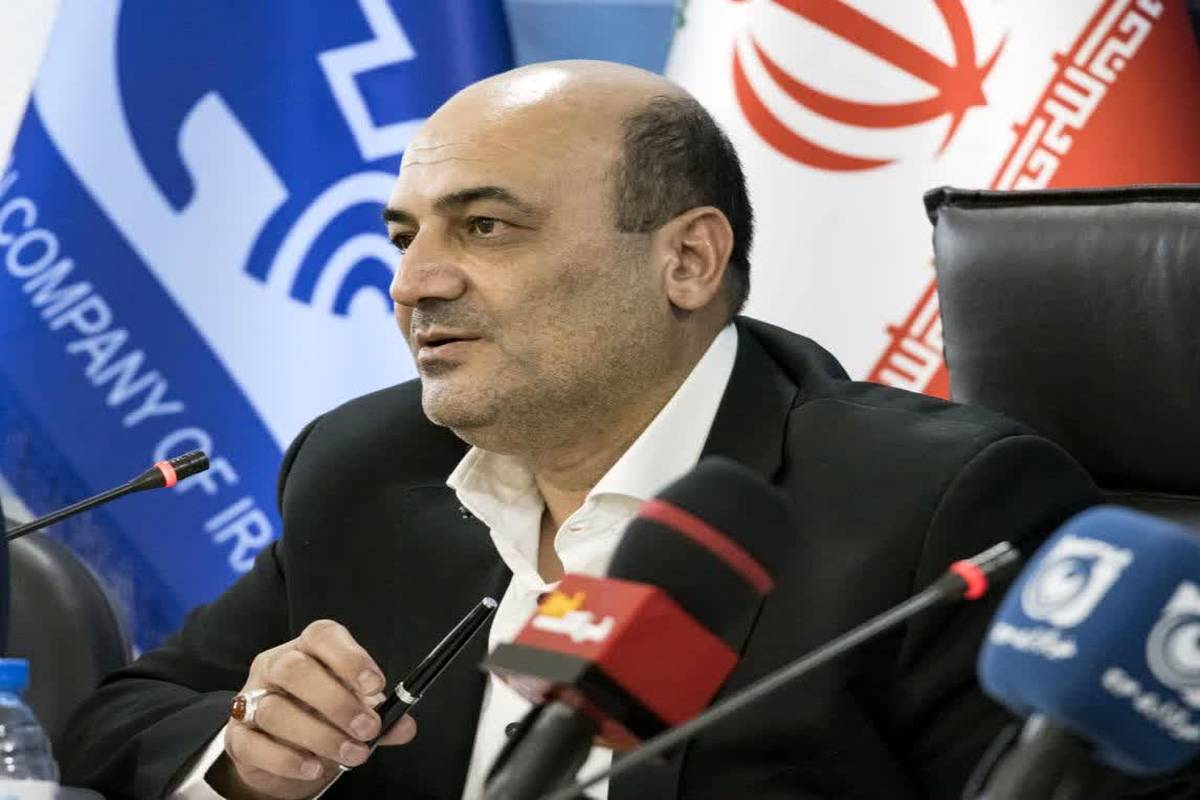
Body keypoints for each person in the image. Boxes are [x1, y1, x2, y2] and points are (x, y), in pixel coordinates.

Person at [60, 60, 1107, 799]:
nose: (412, 283)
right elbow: (119, 720)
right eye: (403, 236)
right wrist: (249, 755)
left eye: (485, 226)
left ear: (687, 261)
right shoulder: (368, 467)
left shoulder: (936, 510)